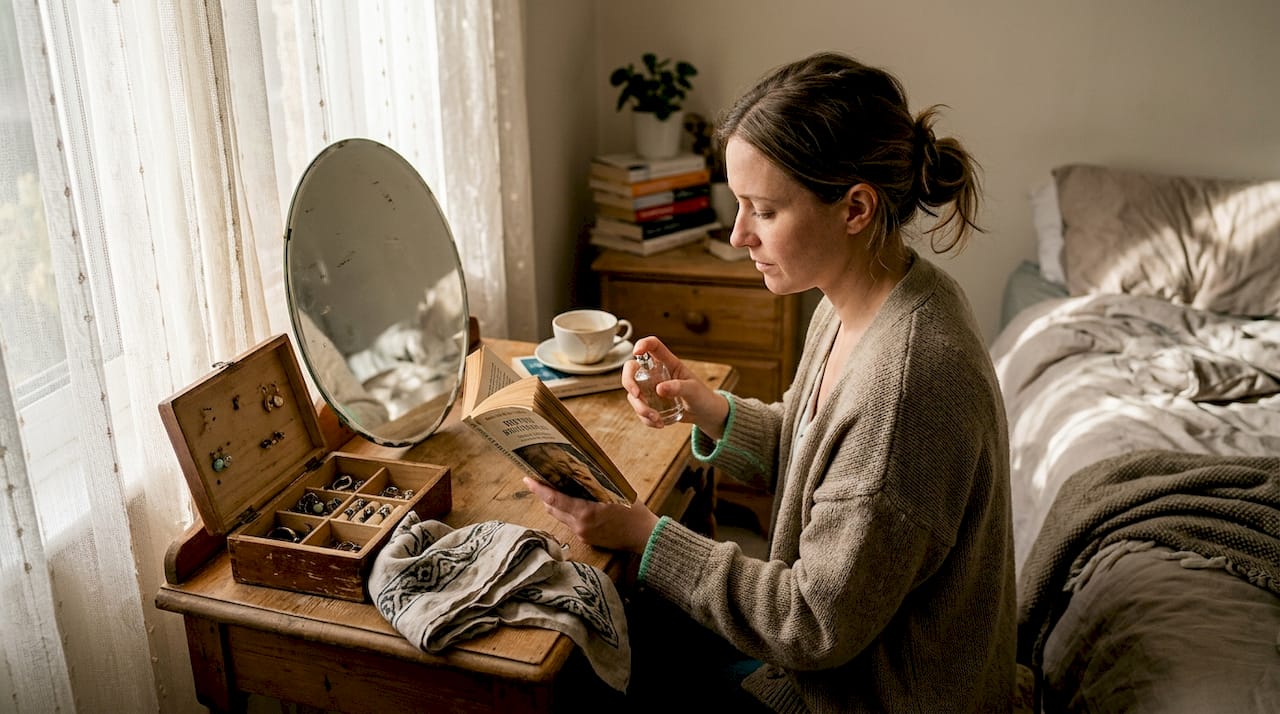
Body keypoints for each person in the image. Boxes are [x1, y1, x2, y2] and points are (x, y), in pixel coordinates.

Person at [526, 50, 1015, 712]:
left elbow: (811, 623)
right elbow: (816, 456)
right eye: (739, 206)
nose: (736, 236)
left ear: (855, 208)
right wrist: (708, 408)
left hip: (865, 695)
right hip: (834, 661)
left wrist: (647, 537)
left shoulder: (908, 386)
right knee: (608, 619)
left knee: (581, 666)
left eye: (763, 210)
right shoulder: (868, 295)